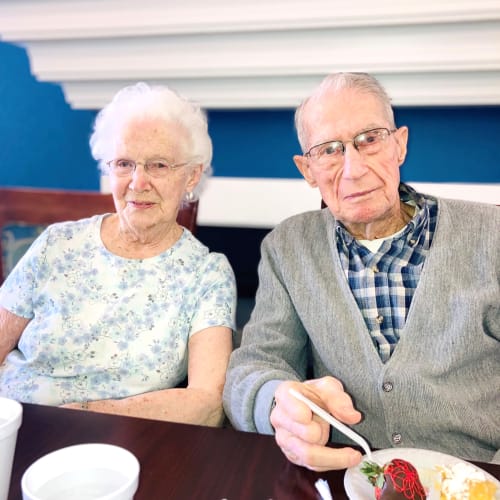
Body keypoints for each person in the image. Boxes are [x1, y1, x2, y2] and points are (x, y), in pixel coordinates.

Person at [223, 72, 500, 469]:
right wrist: (278, 402)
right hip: (348, 476)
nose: (353, 168)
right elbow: (251, 367)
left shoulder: (492, 236)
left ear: (400, 144)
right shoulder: (288, 248)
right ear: (307, 170)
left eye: (370, 139)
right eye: (330, 150)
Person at [0, 82, 237, 427]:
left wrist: (80, 416)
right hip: (12, 424)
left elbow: (207, 404)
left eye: (158, 165)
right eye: (124, 164)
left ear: (192, 175)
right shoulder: (57, 243)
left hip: (118, 444)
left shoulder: (207, 275)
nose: (138, 183)